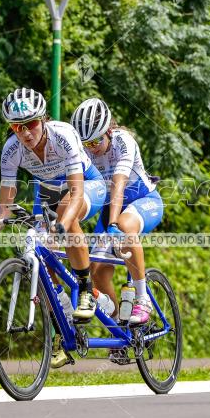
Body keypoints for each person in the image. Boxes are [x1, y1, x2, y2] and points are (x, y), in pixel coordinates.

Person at [0, 88, 107, 368]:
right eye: (16, 127)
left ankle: (85, 289)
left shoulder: (63, 135)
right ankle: (64, 324)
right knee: (37, 255)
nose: (25, 133)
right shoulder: (11, 151)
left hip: (85, 186)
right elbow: (5, 205)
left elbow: (77, 193)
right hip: (45, 192)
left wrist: (61, 224)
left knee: (65, 216)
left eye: (31, 124)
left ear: (43, 119)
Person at [70, 97, 164, 328]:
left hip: (143, 201)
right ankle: (120, 327)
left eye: (96, 141)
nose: (91, 148)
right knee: (97, 272)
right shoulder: (83, 150)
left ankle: (142, 299)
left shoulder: (124, 142)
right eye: (86, 144)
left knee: (123, 225)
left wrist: (112, 225)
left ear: (109, 130)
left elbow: (118, 184)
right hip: (109, 210)